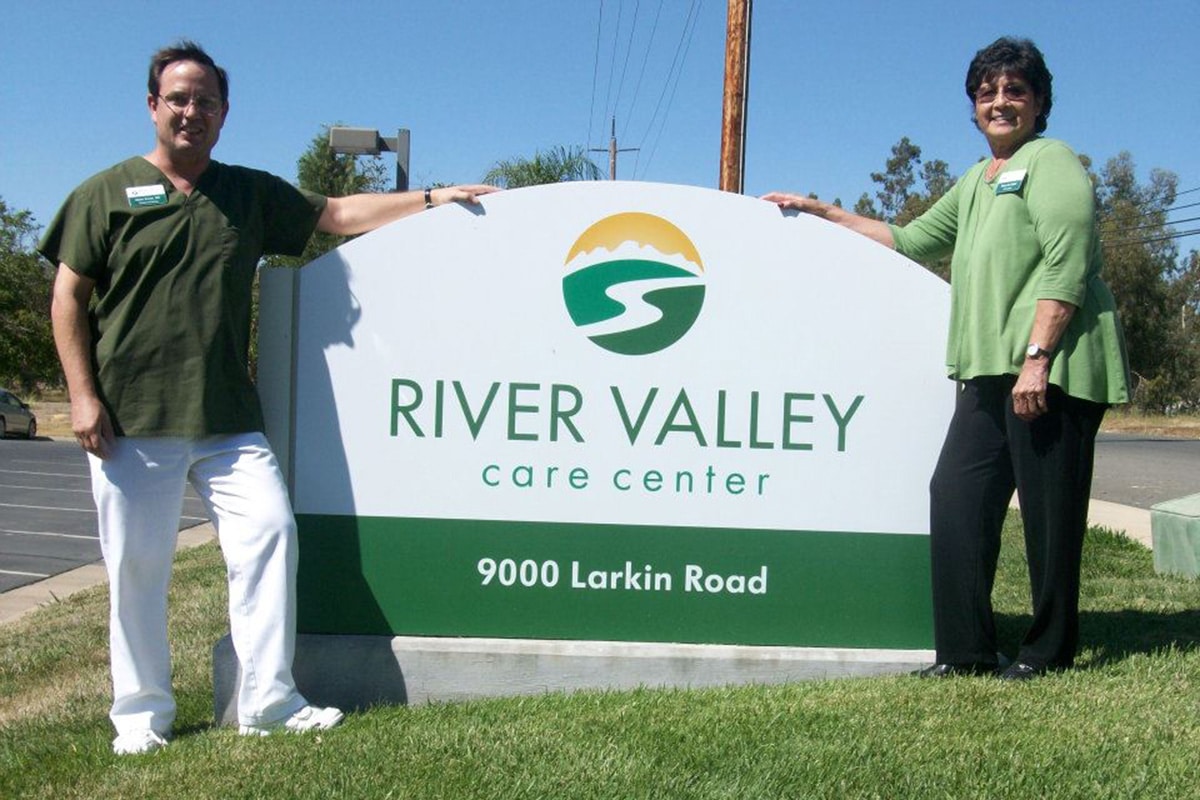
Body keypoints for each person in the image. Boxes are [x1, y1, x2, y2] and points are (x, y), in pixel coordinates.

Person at [39, 40, 497, 755]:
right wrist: (82, 396)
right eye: (180, 99)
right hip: (131, 419)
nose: (193, 111)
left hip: (227, 418)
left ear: (225, 113)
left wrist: (435, 197)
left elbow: (338, 214)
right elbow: (67, 296)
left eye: (207, 101)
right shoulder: (105, 193)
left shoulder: (247, 193)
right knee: (137, 569)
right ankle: (141, 716)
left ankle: (268, 702)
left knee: (270, 536)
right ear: (153, 106)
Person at [763, 37, 1129, 681]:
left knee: (1049, 513)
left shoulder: (1052, 163)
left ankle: (1046, 651)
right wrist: (820, 212)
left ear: (1040, 104)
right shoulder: (977, 181)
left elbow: (1067, 260)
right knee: (956, 496)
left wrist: (1038, 355)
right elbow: (908, 239)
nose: (1000, 101)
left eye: (1015, 90)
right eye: (987, 92)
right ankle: (964, 651)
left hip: (1053, 367)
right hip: (989, 374)